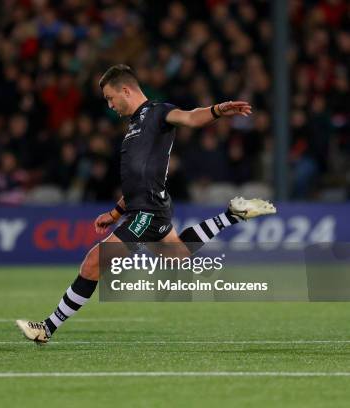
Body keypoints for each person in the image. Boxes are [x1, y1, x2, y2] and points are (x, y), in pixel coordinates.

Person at [16, 64, 276, 343]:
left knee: (93, 262)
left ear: (125, 90)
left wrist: (216, 110)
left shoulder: (158, 112)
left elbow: (189, 118)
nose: (110, 105)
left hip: (148, 211)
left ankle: (47, 328)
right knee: (178, 256)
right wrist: (116, 211)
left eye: (110, 98)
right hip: (149, 206)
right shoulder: (133, 127)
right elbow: (137, 181)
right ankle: (231, 216)